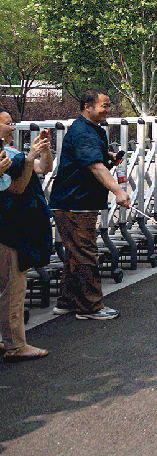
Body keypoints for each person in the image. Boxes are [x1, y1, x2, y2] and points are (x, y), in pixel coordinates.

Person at [48, 89, 131, 320]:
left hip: (75, 201)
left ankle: (67, 301)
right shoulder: (84, 132)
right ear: (88, 106)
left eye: (109, 105)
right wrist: (118, 191)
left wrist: (108, 158)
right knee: (85, 254)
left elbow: (95, 161)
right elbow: (95, 166)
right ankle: (90, 306)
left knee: (75, 253)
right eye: (104, 105)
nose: (108, 109)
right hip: (75, 202)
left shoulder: (91, 129)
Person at [0, 114, 52, 362]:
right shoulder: (7, 157)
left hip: (16, 226)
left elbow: (45, 168)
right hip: (9, 230)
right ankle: (16, 345)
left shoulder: (10, 152)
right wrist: (30, 158)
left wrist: (43, 151)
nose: (12, 127)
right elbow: (17, 187)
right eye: (7, 122)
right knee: (13, 288)